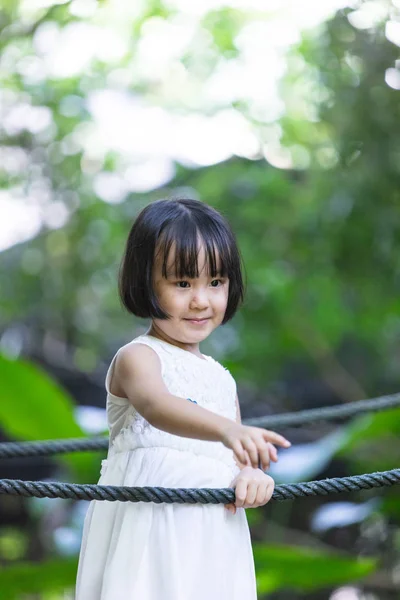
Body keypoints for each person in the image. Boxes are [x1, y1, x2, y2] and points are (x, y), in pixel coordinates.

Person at [75, 197, 291, 600]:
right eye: (182, 283)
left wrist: (252, 476)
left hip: (210, 539)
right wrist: (228, 429)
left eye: (215, 282)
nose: (200, 300)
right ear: (145, 282)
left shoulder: (221, 380)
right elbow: (157, 406)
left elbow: (237, 460)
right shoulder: (137, 357)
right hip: (148, 531)